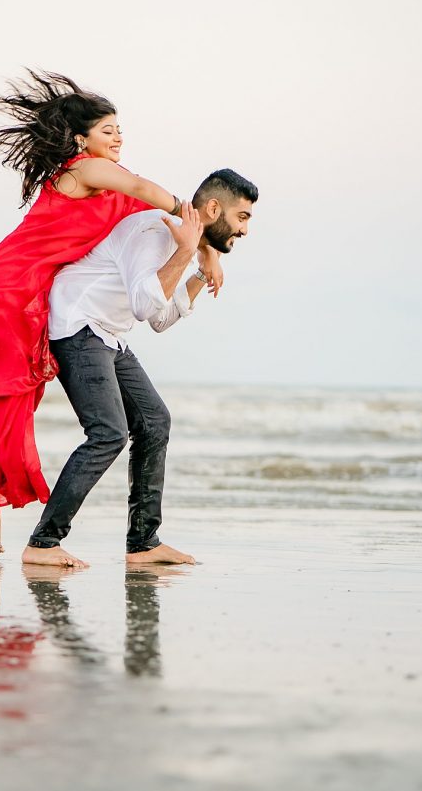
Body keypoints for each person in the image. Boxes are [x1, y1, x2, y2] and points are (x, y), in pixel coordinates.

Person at [0, 71, 225, 554]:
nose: (118, 137)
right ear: (82, 138)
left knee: (32, 395)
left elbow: (153, 219)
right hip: (11, 284)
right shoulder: (84, 169)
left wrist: (202, 248)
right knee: (5, 389)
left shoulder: (112, 192)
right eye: (108, 130)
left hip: (44, 292)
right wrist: (199, 226)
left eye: (120, 129)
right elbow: (146, 189)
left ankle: (132, 541)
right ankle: (0, 507)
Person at [21, 169, 259, 568]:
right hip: (77, 326)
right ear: (213, 208)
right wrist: (189, 253)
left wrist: (200, 270)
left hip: (107, 334)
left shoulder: (177, 241)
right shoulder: (154, 232)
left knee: (154, 421)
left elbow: (159, 319)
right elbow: (144, 306)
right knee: (108, 433)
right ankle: (43, 543)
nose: (245, 230)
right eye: (242, 217)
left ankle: (143, 544)